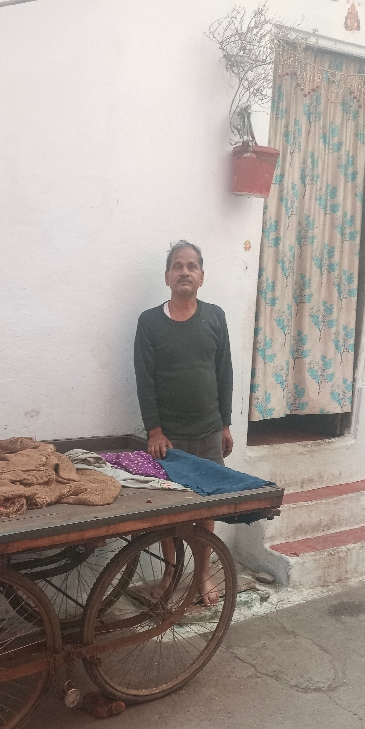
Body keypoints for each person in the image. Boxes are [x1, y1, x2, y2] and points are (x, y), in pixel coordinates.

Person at [134, 240, 234, 604]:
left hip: (208, 432)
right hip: (169, 439)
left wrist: (225, 424)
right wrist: (154, 431)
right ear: (167, 277)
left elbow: (224, 372)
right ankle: (171, 573)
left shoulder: (215, 317)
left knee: (207, 509)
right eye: (177, 265)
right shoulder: (149, 322)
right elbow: (144, 379)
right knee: (169, 513)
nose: (184, 272)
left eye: (192, 266)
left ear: (202, 276)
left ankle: (202, 574)